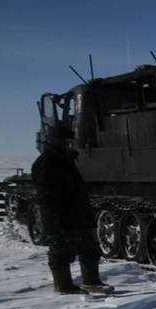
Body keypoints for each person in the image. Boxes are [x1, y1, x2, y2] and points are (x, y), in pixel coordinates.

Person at [31, 124, 114, 294]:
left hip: (78, 214)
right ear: (57, 142)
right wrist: (54, 223)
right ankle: (63, 286)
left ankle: (91, 281)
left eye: (71, 141)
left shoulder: (66, 160)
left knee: (89, 249)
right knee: (60, 252)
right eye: (67, 142)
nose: (71, 145)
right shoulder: (46, 163)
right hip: (61, 216)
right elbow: (47, 197)